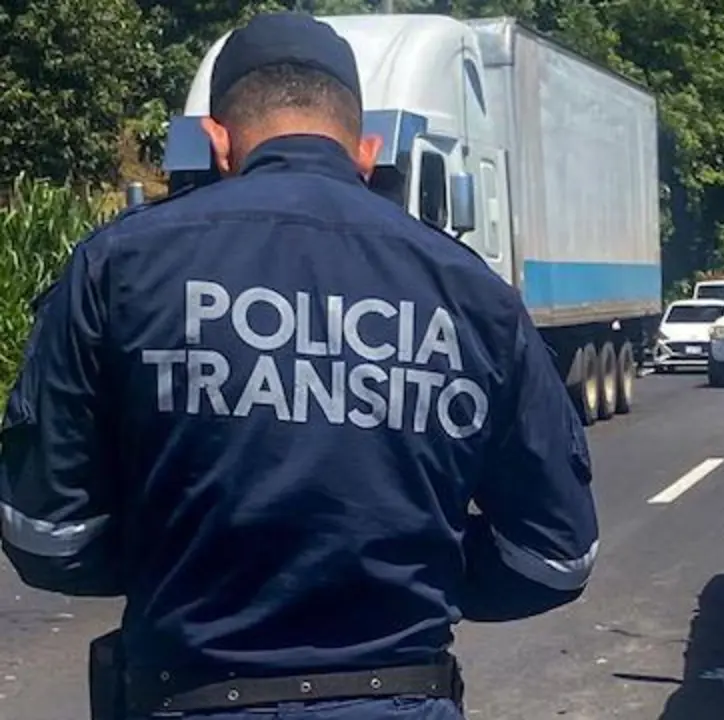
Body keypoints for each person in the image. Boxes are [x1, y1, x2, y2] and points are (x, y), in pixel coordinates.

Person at [0, 11, 598, 720]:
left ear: (219, 143)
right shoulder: (473, 292)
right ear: (366, 152)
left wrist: (184, 548)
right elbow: (554, 556)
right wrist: (417, 564)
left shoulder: (118, 266)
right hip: (399, 700)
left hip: (193, 699)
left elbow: (48, 535)